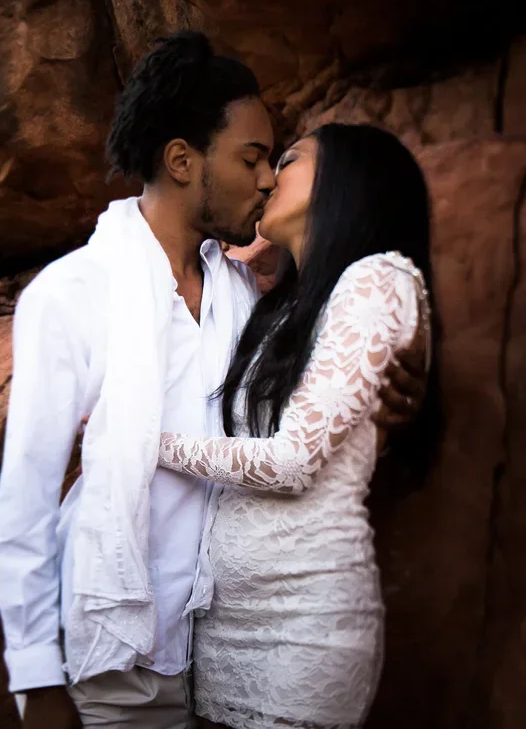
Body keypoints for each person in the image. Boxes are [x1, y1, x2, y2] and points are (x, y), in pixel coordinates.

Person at [0, 32, 425, 729]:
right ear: (183, 160)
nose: (265, 179)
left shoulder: (245, 297)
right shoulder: (71, 293)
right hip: (105, 648)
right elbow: (27, 504)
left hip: (205, 645)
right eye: (252, 158)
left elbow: (302, 419)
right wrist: (37, 677)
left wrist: (390, 403)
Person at [156, 122, 440, 729]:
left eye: (288, 159)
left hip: (305, 625)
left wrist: (146, 444)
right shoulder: (283, 305)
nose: (268, 178)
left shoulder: (378, 280)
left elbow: (292, 462)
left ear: (346, 181)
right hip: (225, 629)